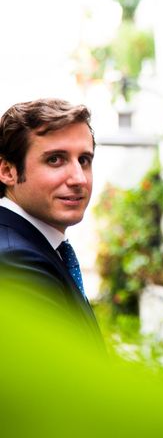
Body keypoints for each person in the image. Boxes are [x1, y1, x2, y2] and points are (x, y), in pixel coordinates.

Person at [0, 98, 102, 347]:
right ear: (8, 171)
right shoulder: (15, 260)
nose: (78, 179)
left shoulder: (38, 246)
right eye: (55, 160)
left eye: (84, 160)